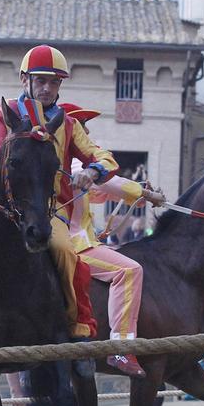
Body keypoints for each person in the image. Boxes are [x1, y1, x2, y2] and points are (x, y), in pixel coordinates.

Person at [0, 44, 148, 377]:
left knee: (65, 250)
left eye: (54, 82)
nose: (47, 87)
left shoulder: (69, 123)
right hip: (1, 207)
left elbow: (103, 158)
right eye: (40, 80)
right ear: (25, 79)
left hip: (47, 210)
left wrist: (92, 172)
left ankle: (77, 328)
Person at [60, 104, 166, 374]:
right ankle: (120, 348)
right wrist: (144, 193)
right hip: (76, 245)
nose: (87, 131)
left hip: (75, 242)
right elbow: (110, 184)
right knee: (130, 271)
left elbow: (98, 192)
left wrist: (136, 196)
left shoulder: (71, 167)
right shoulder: (74, 163)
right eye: (82, 125)